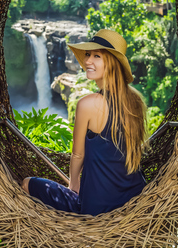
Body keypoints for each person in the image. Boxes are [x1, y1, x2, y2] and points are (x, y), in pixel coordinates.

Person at [21, 29, 148, 216]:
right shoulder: (136, 101)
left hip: (96, 208)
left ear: (112, 63)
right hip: (134, 198)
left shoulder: (87, 104)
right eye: (88, 54)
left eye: (97, 56)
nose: (88, 61)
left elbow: (77, 155)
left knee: (27, 183)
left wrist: (73, 185)